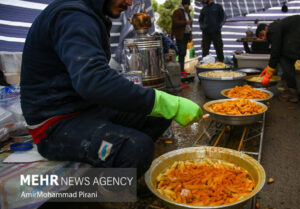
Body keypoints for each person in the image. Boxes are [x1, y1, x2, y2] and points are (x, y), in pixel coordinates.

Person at [20, 0, 203, 177]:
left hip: (87, 107)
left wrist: (163, 104)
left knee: (160, 116)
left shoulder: (92, 15)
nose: (129, 3)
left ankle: (115, 160)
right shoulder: (72, 15)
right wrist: (159, 100)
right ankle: (112, 193)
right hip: (55, 122)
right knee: (137, 149)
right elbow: (93, 81)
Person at [259, 15, 300, 103]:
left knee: (284, 58)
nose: (263, 38)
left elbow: (276, 50)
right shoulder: (282, 26)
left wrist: (269, 73)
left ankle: (292, 93)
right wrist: (269, 67)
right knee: (289, 56)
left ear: (266, 28)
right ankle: (288, 86)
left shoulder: (272, 29)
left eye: (262, 35)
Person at [172, 0, 192, 74]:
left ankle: (181, 70)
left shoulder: (186, 12)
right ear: (185, 4)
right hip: (180, 35)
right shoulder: (177, 12)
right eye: (188, 5)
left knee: (183, 53)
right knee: (181, 52)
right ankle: (180, 70)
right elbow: (175, 22)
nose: (188, 6)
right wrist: (186, 22)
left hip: (185, 34)